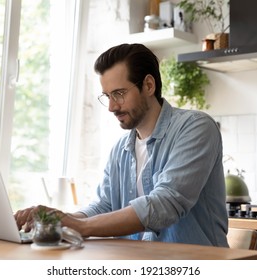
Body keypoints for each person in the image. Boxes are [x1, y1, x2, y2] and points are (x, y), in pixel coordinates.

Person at [15, 43, 229, 247]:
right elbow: (104, 206)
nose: (111, 106)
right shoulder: (121, 149)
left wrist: (79, 226)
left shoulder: (196, 127)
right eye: (107, 96)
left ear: (148, 85)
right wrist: (56, 219)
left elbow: (165, 203)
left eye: (119, 93)